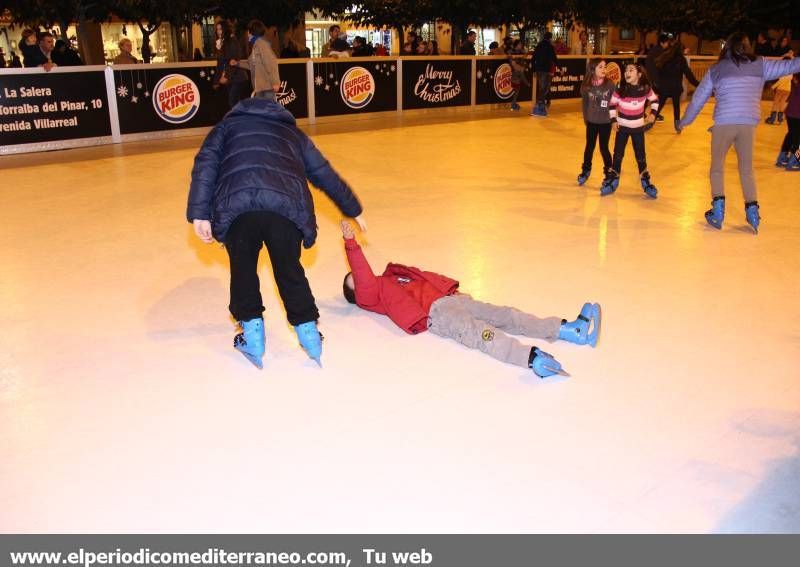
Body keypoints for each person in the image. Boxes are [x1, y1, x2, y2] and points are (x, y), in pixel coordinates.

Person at [187, 98, 366, 369]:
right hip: (286, 208)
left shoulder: (226, 128)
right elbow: (323, 172)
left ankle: (253, 337)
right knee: (289, 271)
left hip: (239, 209)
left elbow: (206, 164)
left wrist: (200, 212)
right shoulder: (292, 133)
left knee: (243, 270)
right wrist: (351, 206)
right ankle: (309, 336)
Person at [339, 220, 601, 378]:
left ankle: (567, 329)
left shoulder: (394, 276)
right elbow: (364, 278)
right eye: (357, 282)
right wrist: (351, 243)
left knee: (506, 315)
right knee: (480, 333)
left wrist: (452, 290)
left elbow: (427, 277)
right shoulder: (373, 293)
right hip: (437, 315)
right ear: (359, 295)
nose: (362, 277)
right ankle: (532, 359)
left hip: (450, 299)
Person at [679, 32, 800, 233]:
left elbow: (697, 100)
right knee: (746, 169)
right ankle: (753, 211)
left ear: (726, 47)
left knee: (717, 167)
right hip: (747, 125)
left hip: (723, 124)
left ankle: (718, 211)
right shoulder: (760, 64)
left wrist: (684, 122)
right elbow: (791, 65)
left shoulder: (716, 69)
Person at [601, 63, 660, 198]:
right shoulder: (621, 88)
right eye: (626, 70)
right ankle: (613, 180)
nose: (627, 72)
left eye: (631, 70)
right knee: (618, 155)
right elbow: (612, 105)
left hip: (638, 129)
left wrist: (653, 114)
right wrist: (613, 121)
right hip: (622, 129)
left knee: (640, 156)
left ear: (639, 75)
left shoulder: (645, 88)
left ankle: (646, 181)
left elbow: (655, 101)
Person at [577, 59, 615, 186]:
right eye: (600, 67)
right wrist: (586, 118)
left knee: (604, 148)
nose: (604, 69)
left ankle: (609, 172)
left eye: (605, 67)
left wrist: (614, 119)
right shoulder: (587, 85)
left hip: (605, 122)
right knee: (589, 147)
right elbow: (585, 103)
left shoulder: (610, 84)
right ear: (593, 69)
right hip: (592, 122)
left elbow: (614, 103)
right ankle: (586, 170)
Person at [653, 41, 699, 132]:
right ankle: (677, 125)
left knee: (660, 104)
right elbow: (688, 75)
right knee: (676, 106)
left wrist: (657, 85)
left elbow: (657, 72)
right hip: (675, 88)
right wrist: (698, 84)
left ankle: (651, 121)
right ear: (681, 50)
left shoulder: (665, 57)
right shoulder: (681, 60)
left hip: (664, 87)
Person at [230, 20, 280, 102]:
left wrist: (275, 82)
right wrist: (237, 63)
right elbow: (251, 64)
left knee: (268, 113)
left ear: (251, 32)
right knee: (262, 113)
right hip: (260, 89)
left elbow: (271, 63)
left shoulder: (262, 45)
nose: (247, 34)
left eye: (248, 31)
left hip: (267, 88)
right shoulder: (256, 46)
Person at [214, 21, 250, 109]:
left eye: (220, 29)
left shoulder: (231, 41)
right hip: (232, 78)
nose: (218, 31)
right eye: (217, 29)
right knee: (234, 103)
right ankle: (240, 120)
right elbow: (221, 62)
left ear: (225, 30)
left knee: (233, 102)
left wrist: (226, 76)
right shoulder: (223, 42)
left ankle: (241, 120)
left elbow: (233, 61)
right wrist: (216, 80)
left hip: (237, 77)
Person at [645, 33, 672, 122]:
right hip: (655, 77)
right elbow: (658, 66)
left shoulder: (655, 50)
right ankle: (654, 113)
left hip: (652, 77)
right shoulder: (659, 52)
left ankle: (647, 112)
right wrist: (656, 79)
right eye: (667, 43)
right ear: (662, 43)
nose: (668, 45)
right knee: (659, 96)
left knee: (650, 95)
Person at [776, 72, 800, 169]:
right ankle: (794, 161)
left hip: (790, 114)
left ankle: (782, 158)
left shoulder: (796, 87)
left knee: (791, 134)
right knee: (798, 138)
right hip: (797, 115)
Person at [531, 31, 558, 117]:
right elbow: (554, 58)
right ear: (550, 38)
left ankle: (540, 105)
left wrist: (534, 69)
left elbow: (533, 58)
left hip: (539, 69)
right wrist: (560, 67)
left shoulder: (539, 45)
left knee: (542, 88)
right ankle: (539, 105)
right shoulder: (550, 46)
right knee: (544, 88)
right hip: (546, 70)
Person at [766, 55, 795, 125]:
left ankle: (772, 119)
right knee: (782, 103)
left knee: (776, 103)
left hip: (781, 89)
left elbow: (781, 80)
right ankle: (780, 119)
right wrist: (791, 55)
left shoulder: (784, 69)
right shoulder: (791, 69)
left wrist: (773, 86)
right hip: (787, 89)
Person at [508, 40, 530, 111]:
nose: (521, 46)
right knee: (516, 91)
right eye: (520, 44)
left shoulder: (521, 52)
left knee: (517, 91)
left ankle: (513, 104)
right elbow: (510, 55)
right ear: (516, 45)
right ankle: (513, 104)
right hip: (515, 74)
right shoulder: (512, 51)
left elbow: (525, 55)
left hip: (517, 73)